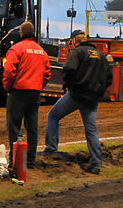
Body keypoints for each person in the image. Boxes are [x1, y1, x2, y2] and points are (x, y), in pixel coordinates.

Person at [43, 30, 113, 175]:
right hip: (92, 99)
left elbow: (68, 69)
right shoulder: (100, 55)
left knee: (53, 116)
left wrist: (70, 85)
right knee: (91, 131)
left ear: (75, 40)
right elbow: (109, 77)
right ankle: (96, 164)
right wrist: (98, 92)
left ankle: (51, 149)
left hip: (76, 96)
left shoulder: (77, 52)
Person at [3, 21, 51, 169]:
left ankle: (16, 160)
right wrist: (38, 86)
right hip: (34, 93)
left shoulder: (16, 49)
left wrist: (8, 88)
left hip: (18, 92)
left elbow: (9, 71)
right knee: (32, 127)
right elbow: (48, 74)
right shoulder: (41, 51)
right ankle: (30, 160)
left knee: (14, 127)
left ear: (21, 33)